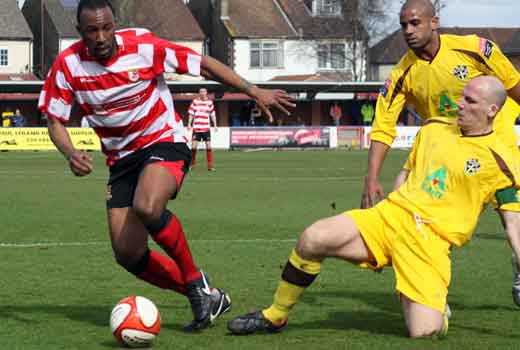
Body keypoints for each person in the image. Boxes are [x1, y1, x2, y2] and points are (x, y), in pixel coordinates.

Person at [38, 0, 294, 332]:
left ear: (114, 25)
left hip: (163, 139)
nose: (101, 36)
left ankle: (193, 279)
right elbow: (54, 120)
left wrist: (252, 89)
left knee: (147, 205)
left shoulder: (143, 46)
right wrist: (70, 152)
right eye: (92, 30)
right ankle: (205, 294)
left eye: (106, 28)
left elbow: (203, 64)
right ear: (79, 32)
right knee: (127, 253)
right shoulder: (68, 65)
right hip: (121, 160)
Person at [228, 76, 520, 338]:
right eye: (461, 96)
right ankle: (275, 315)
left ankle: (437, 311)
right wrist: (395, 208)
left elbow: (512, 222)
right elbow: (407, 172)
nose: (459, 104)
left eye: (469, 100)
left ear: (492, 111)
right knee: (314, 237)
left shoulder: (503, 161)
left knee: (424, 332)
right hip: (390, 218)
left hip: (429, 243)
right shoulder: (434, 128)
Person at [360, 0, 520, 305]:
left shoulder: (474, 48)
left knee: (512, 219)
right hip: (445, 154)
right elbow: (383, 127)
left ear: (434, 22)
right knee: (430, 221)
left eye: (415, 23)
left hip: (493, 146)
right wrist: (371, 178)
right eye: (403, 24)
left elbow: (513, 85)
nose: (408, 30)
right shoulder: (401, 75)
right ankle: (431, 292)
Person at [187, 88, 217, 171]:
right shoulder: (195, 102)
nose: (202, 93)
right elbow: (191, 113)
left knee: (208, 146)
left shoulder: (209, 102)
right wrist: (189, 124)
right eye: (201, 92)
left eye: (204, 92)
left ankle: (210, 166)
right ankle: (192, 164)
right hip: (196, 128)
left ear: (206, 93)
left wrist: (215, 125)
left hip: (206, 128)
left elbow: (212, 114)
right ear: (199, 93)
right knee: (193, 147)